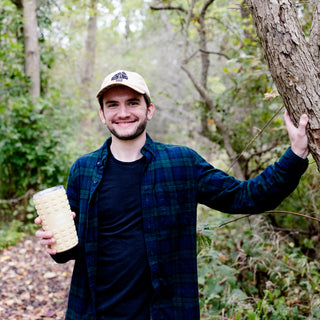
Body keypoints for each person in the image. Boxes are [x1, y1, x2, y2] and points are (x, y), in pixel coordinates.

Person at [35, 70, 309, 320]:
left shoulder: (181, 162)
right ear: (102, 114)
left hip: (165, 313)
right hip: (92, 312)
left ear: (149, 110)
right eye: (113, 105)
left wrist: (295, 155)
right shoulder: (83, 170)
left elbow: (245, 197)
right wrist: (54, 243)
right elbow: (70, 251)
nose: (123, 112)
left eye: (132, 102)